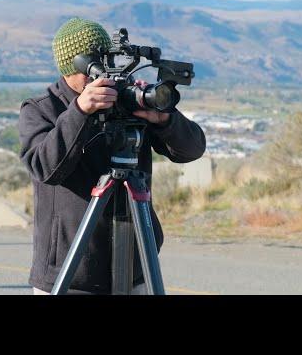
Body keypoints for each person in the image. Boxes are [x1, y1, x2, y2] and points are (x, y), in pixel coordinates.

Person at [18, 18, 206, 295]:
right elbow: (45, 168)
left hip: (134, 266)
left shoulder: (126, 100)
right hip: (71, 272)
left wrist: (164, 119)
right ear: (71, 66)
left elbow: (192, 150)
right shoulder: (41, 110)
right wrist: (80, 112)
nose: (101, 76)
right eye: (92, 67)